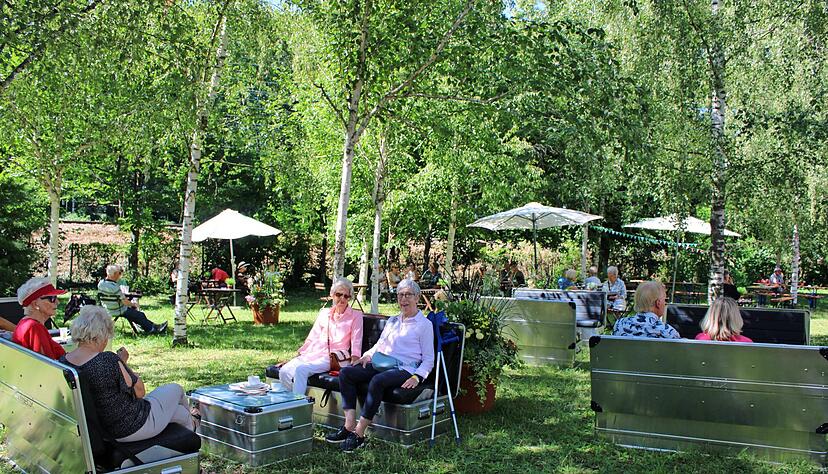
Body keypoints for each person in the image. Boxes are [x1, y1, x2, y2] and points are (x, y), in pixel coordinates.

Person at [59, 306, 198, 442]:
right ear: (101, 336)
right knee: (176, 389)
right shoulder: (107, 360)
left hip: (101, 428)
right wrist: (122, 362)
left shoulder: (64, 361)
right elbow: (140, 391)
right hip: (131, 426)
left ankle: (191, 429)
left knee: (180, 413)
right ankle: (193, 426)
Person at [326, 279, 434, 452]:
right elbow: (379, 345)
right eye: (400, 295)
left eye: (408, 295)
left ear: (417, 297)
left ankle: (359, 434)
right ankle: (348, 425)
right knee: (346, 373)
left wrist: (417, 377)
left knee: (377, 380)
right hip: (382, 362)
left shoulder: (424, 325)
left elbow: (429, 359)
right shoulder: (392, 321)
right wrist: (366, 356)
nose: (403, 299)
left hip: (405, 369)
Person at [278, 278, 364, 395]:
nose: (342, 299)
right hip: (313, 352)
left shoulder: (356, 315)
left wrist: (355, 358)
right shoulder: (325, 313)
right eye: (339, 295)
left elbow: (356, 338)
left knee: (301, 370)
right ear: (332, 295)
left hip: (333, 357)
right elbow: (313, 335)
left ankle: (298, 408)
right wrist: (300, 353)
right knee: (284, 371)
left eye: (346, 296)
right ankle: (290, 404)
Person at [99, 265, 167, 335]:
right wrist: (133, 304)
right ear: (114, 274)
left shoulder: (101, 283)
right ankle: (151, 329)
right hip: (118, 310)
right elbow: (125, 302)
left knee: (136, 314)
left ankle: (154, 326)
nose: (120, 275)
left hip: (107, 308)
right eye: (119, 273)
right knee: (139, 314)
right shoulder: (114, 286)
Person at [12, 277, 67, 359]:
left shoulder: (26, 323)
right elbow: (47, 364)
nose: (57, 302)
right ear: (35, 304)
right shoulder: (34, 327)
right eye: (52, 299)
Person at [612, 280, 680, 339]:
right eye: (664, 300)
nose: (665, 303)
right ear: (658, 303)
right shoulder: (668, 333)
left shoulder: (620, 325)